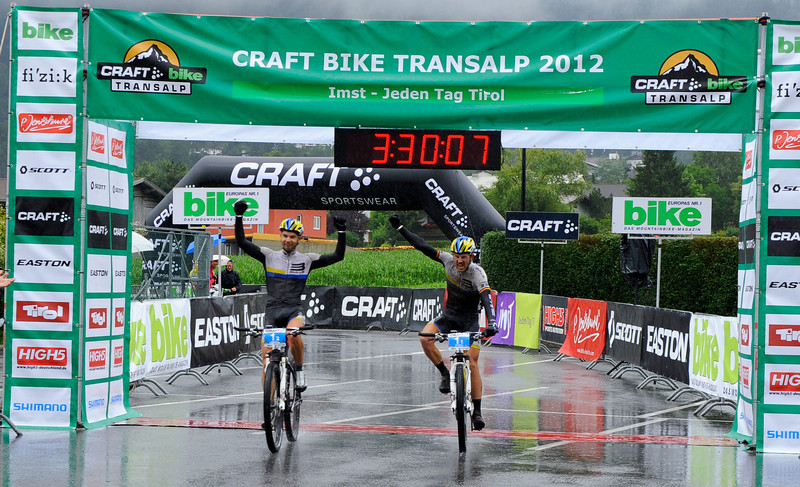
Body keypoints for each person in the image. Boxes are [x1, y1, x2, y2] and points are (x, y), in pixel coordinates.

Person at [389, 214, 497, 431]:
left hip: (469, 320)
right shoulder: (447, 261)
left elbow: (486, 299)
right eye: (457, 256)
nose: (459, 260)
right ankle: (445, 374)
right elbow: (423, 246)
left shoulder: (478, 274)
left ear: (472, 257)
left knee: (473, 363)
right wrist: (401, 228)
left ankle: (477, 411)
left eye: (464, 257)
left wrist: (492, 322)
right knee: (425, 338)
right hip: (449, 315)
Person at [234, 201, 347, 392]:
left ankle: (300, 370)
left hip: (293, 311)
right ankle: (268, 414)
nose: (288, 240)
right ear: (280, 236)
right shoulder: (269, 256)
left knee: (293, 336)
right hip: (272, 312)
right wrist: (239, 217)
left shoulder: (307, 260)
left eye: (292, 237)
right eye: (285, 236)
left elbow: (338, 256)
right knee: (266, 361)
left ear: (299, 239)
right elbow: (243, 243)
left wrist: (342, 233)